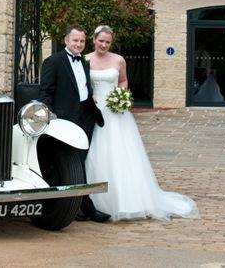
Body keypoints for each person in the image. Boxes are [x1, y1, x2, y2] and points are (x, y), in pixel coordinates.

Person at [84, 25, 199, 222]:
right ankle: (95, 203)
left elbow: (123, 81)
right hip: (94, 112)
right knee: (97, 155)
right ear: (94, 39)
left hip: (115, 113)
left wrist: (120, 96)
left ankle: (128, 201)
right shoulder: (85, 59)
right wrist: (91, 96)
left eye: (107, 42)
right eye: (100, 40)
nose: (103, 45)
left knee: (121, 155)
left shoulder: (118, 60)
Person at [39, 24, 109, 223]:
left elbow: (83, 87)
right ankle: (87, 208)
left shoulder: (84, 62)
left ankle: (78, 206)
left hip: (86, 116)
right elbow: (45, 92)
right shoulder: (53, 61)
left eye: (81, 41)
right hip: (66, 119)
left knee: (82, 160)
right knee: (74, 163)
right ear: (66, 41)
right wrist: (52, 117)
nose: (78, 44)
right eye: (75, 40)